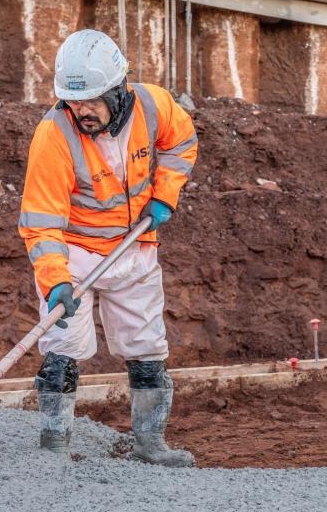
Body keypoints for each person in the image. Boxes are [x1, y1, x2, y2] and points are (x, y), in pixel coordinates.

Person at [18, 29, 198, 467]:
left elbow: (182, 143)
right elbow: (41, 221)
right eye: (73, 102)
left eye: (92, 101)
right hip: (75, 255)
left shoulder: (154, 105)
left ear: (119, 90)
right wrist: (56, 280)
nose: (82, 111)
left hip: (134, 247)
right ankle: (54, 447)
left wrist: (165, 194)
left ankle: (150, 444)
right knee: (62, 346)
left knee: (146, 344)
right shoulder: (54, 135)